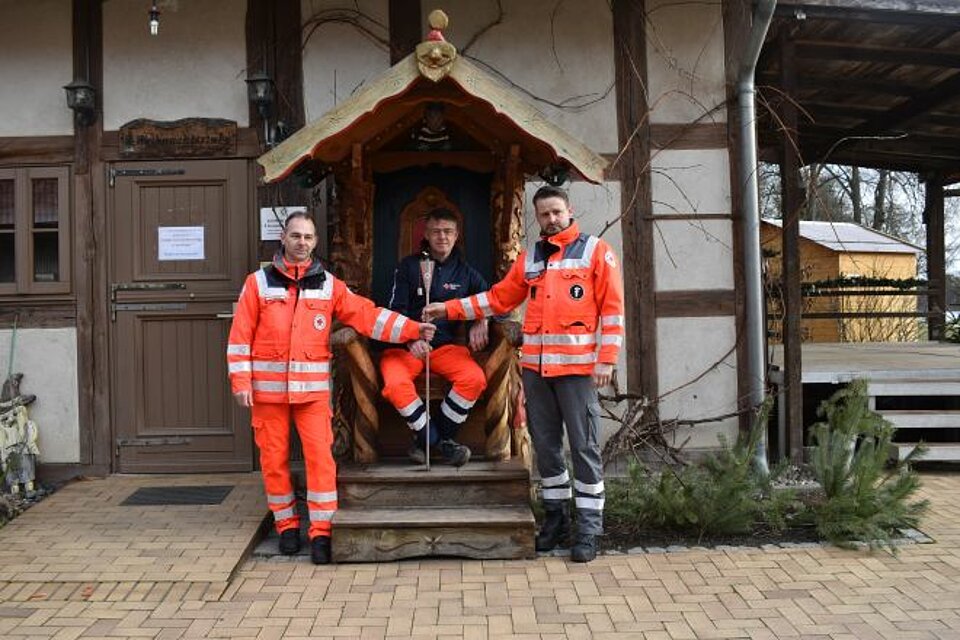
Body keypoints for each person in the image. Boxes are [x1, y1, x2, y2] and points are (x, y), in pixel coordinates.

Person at [423, 185, 624, 562]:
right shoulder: (530, 257)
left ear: (569, 211)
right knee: (546, 448)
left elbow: (613, 310)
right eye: (544, 214)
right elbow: (497, 298)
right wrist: (447, 309)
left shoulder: (596, 251)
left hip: (578, 370)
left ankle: (589, 529)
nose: (551, 219)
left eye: (556, 213)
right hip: (535, 369)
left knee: (583, 448)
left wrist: (607, 359)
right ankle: (556, 522)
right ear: (537, 217)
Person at [227, 212, 436, 565]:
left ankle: (322, 532)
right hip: (268, 393)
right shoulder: (258, 284)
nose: (302, 243)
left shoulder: (329, 284)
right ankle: (287, 528)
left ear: (314, 242)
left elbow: (369, 316)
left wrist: (412, 329)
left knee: (321, 462)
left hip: (311, 394)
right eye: (296, 236)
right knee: (274, 462)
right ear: (284, 238)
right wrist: (241, 381)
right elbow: (239, 337)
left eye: (308, 237)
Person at [381, 208, 489, 466]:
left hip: (444, 347)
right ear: (426, 234)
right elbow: (395, 310)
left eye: (448, 231)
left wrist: (482, 320)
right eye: (436, 231)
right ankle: (441, 443)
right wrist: (410, 338)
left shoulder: (466, 272)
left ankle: (426, 441)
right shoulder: (408, 267)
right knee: (395, 384)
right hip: (406, 347)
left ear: (456, 235)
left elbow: (490, 300)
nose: (442, 236)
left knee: (474, 379)